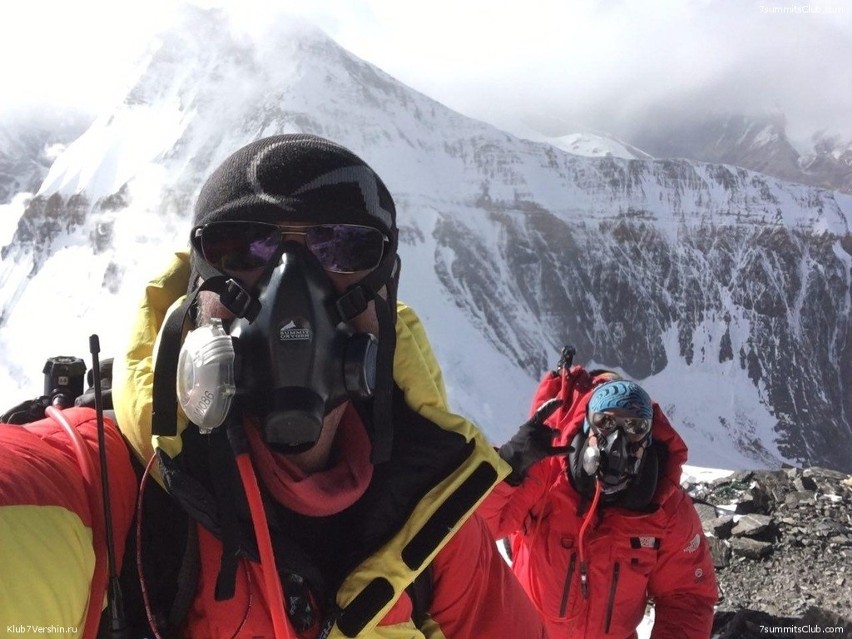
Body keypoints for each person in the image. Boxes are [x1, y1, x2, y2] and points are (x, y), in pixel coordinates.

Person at [1, 134, 548, 639]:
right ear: (195, 296)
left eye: (345, 248)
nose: (294, 292)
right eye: (242, 250)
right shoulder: (102, 488)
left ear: (387, 294)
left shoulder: (432, 524)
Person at [481, 349, 718, 639]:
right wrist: (507, 467)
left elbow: (687, 597)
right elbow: (479, 525)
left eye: (634, 427)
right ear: (587, 427)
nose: (618, 440)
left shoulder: (664, 507)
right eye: (605, 423)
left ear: (649, 437)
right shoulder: (547, 474)